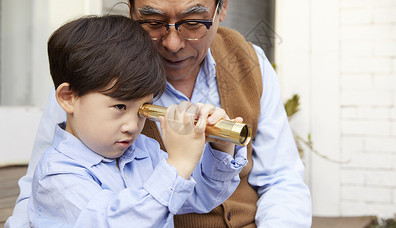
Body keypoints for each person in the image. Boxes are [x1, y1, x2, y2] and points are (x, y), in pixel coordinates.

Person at [7, 0, 312, 227]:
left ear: (223, 6)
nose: (173, 43)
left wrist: (221, 150)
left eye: (193, 22)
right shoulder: (87, 79)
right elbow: (34, 201)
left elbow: (278, 181)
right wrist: (177, 165)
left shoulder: (250, 62)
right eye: (153, 21)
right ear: (131, 10)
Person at [27, 15, 247, 227]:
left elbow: (199, 196)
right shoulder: (57, 174)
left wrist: (221, 147)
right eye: (120, 107)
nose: (133, 126)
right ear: (69, 98)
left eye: (143, 110)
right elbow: (118, 222)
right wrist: (178, 164)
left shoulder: (144, 152)